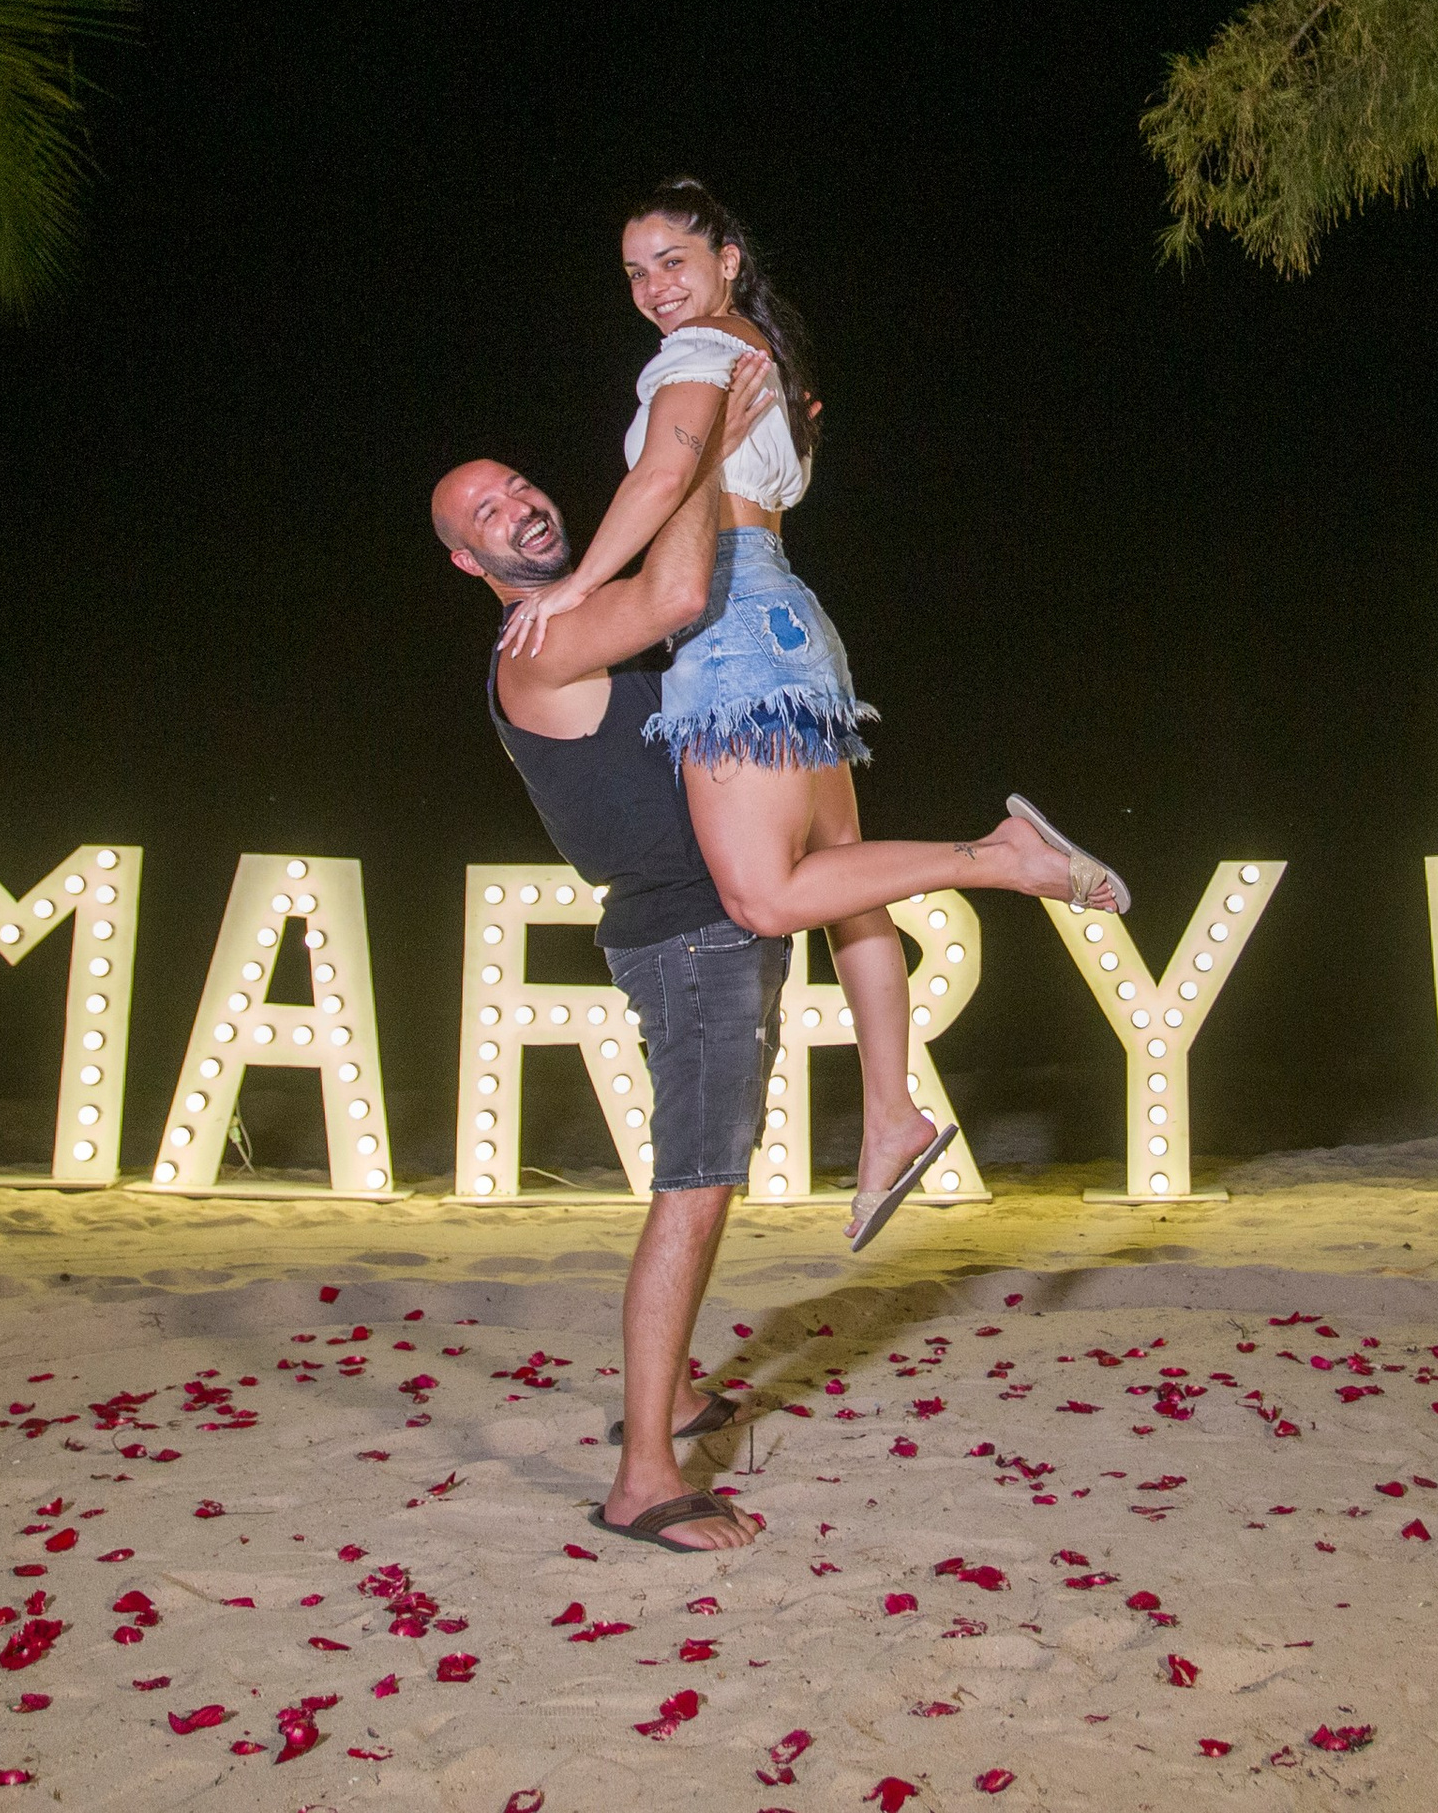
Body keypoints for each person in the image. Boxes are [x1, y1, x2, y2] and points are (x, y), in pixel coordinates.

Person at [432, 378, 1128, 1548]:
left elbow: (718, 606)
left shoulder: (594, 605)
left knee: (844, 864)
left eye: (517, 487)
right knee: (695, 1191)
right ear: (471, 562)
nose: (519, 506)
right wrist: (702, 442)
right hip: (686, 936)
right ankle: (645, 1476)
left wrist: (760, 449)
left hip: (732, 899)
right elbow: (683, 583)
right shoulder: (540, 642)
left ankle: (886, 1113)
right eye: (488, 513)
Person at [497, 177, 1126, 1249]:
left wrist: (571, 586)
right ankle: (891, 1116)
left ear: (727, 257)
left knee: (766, 896)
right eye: (636, 273)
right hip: (791, 612)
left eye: (673, 261)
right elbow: (767, 479)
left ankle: (1003, 854)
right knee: (848, 888)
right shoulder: (762, 352)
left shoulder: (694, 351)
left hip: (739, 626)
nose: (655, 288)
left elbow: (660, 480)